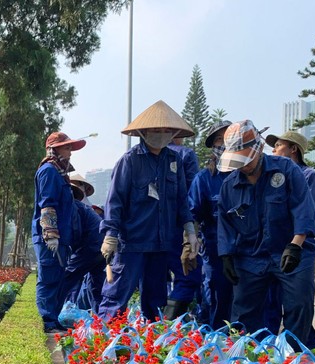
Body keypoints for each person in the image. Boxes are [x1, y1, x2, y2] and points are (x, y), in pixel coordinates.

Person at [217, 120, 315, 349]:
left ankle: (291, 355)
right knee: (243, 310)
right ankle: (251, 356)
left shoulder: (286, 169)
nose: (242, 166)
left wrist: (296, 244)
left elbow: (303, 207)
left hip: (291, 249)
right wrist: (226, 256)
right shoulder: (229, 186)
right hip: (250, 255)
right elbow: (225, 223)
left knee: (299, 304)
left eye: (246, 159)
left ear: (258, 148)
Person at [98, 100, 199, 322]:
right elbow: (115, 201)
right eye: (156, 130)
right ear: (143, 132)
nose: (161, 134)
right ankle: (104, 345)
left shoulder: (174, 161)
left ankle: (151, 344)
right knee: (117, 296)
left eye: (166, 130)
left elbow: (182, 199)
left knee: (156, 301)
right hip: (132, 241)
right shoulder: (129, 161)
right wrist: (110, 234)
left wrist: (189, 229)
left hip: (161, 243)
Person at [263, 130, 315, 346]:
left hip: (300, 249)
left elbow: (309, 213)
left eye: (278, 145)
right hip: (272, 249)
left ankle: (300, 352)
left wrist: (295, 242)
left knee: (298, 305)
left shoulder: (311, 176)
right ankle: (270, 351)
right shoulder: (271, 177)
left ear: (293, 149)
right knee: (269, 305)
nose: (273, 150)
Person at [33, 131, 86, 333]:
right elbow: (47, 204)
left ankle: (53, 320)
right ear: (53, 149)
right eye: (66, 148)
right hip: (50, 237)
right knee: (48, 278)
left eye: (70, 148)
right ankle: (47, 321)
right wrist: (51, 233)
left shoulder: (59, 173)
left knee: (57, 278)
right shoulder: (48, 171)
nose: (70, 152)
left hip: (62, 236)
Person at [188, 120, 233, 328]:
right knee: (216, 296)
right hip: (214, 250)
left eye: (228, 138)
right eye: (218, 139)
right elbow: (193, 214)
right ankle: (216, 343)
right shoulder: (204, 179)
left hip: (250, 248)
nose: (223, 143)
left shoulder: (250, 174)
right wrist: (190, 244)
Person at [165, 137, 201, 319]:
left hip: (149, 230)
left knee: (153, 281)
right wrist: (191, 232)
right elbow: (192, 195)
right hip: (179, 227)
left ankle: (152, 330)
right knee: (188, 274)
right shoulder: (186, 154)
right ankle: (169, 325)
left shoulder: (135, 158)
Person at [57, 178, 105, 312]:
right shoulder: (80, 207)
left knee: (67, 277)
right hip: (100, 246)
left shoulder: (73, 207)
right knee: (96, 284)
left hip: (91, 245)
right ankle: (102, 319)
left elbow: (75, 232)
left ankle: (52, 313)